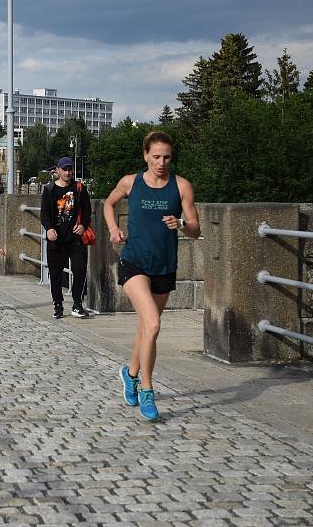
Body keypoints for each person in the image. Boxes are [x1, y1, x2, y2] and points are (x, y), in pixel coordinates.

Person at [103, 131, 201, 421]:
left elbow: (197, 229)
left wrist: (181, 223)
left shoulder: (181, 187)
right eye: (156, 156)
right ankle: (147, 389)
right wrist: (112, 229)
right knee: (154, 323)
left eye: (166, 157)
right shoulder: (130, 182)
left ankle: (130, 374)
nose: (161, 162)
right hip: (134, 262)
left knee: (146, 328)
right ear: (145, 154)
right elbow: (109, 204)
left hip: (164, 266)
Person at [40, 156, 91, 319]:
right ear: (58, 170)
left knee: (80, 270)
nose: (68, 172)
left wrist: (83, 224)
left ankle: (77, 304)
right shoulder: (50, 190)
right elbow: (45, 213)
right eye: (64, 169)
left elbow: (88, 210)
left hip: (75, 238)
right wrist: (48, 229)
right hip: (57, 240)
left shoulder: (79, 188)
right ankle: (58, 304)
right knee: (55, 273)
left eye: (70, 169)